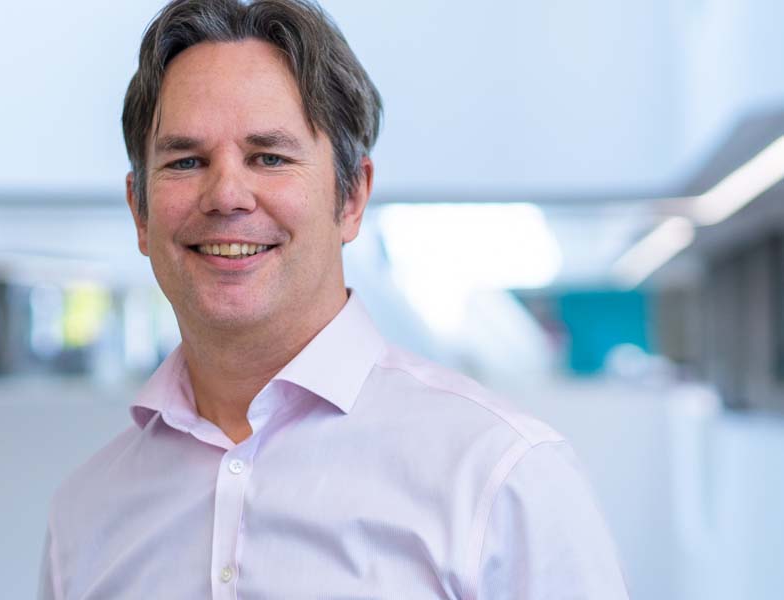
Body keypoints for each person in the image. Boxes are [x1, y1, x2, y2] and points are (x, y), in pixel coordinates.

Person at [39, 0, 629, 598]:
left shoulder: (502, 478)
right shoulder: (84, 517)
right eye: (186, 161)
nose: (226, 195)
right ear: (139, 211)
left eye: (269, 157)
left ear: (351, 198)